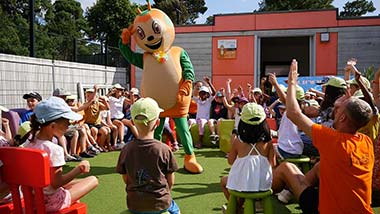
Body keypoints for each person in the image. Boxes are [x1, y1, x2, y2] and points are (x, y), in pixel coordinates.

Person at [272, 59, 374, 214]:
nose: (335, 110)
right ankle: (291, 190)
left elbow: (293, 113)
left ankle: (258, 197)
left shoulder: (332, 139)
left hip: (325, 210)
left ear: (342, 118)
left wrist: (292, 81)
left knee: (286, 167)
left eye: (338, 109)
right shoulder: (366, 142)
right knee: (320, 166)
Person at [25, 96, 98, 212]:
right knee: (93, 179)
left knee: (75, 184)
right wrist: (79, 169)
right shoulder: (54, 149)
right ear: (52, 126)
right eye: (66, 122)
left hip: (32, 199)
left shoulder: (29, 143)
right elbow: (56, 183)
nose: (69, 125)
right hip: (51, 202)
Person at [116, 97, 180, 214]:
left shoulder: (126, 149)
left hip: (134, 205)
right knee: (176, 210)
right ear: (157, 123)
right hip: (161, 204)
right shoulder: (164, 149)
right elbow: (170, 181)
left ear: (133, 123)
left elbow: (126, 178)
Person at [220, 102, 276, 204]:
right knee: (246, 183)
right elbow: (273, 163)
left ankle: (237, 208)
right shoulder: (268, 143)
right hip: (263, 185)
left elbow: (230, 161)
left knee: (224, 181)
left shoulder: (238, 141)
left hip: (242, 184)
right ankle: (255, 203)